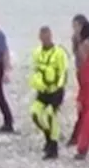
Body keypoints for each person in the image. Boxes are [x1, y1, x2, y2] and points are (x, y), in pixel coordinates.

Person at [29, 26, 69, 160]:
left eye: (47, 36)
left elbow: (63, 71)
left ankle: (54, 147)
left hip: (55, 91)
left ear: (51, 36)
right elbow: (35, 70)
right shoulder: (37, 53)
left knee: (51, 115)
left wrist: (59, 86)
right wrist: (36, 83)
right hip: (42, 91)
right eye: (42, 37)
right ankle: (48, 138)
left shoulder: (59, 52)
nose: (45, 39)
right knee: (35, 114)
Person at [67, 15, 89, 146]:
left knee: (86, 106)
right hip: (81, 73)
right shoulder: (77, 40)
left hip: (88, 76)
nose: (74, 29)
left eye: (76, 26)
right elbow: (77, 55)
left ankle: (78, 136)